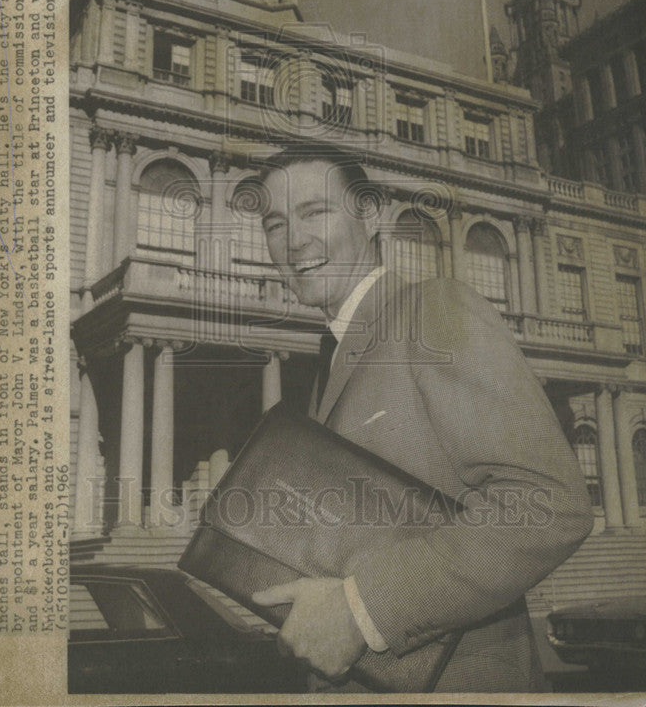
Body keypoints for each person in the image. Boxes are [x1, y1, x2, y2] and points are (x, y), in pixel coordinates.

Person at [250, 142, 593, 693]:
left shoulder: (433, 310)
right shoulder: (332, 356)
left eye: (316, 212)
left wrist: (365, 609)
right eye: (274, 224)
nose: (293, 241)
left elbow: (550, 504)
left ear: (372, 214)